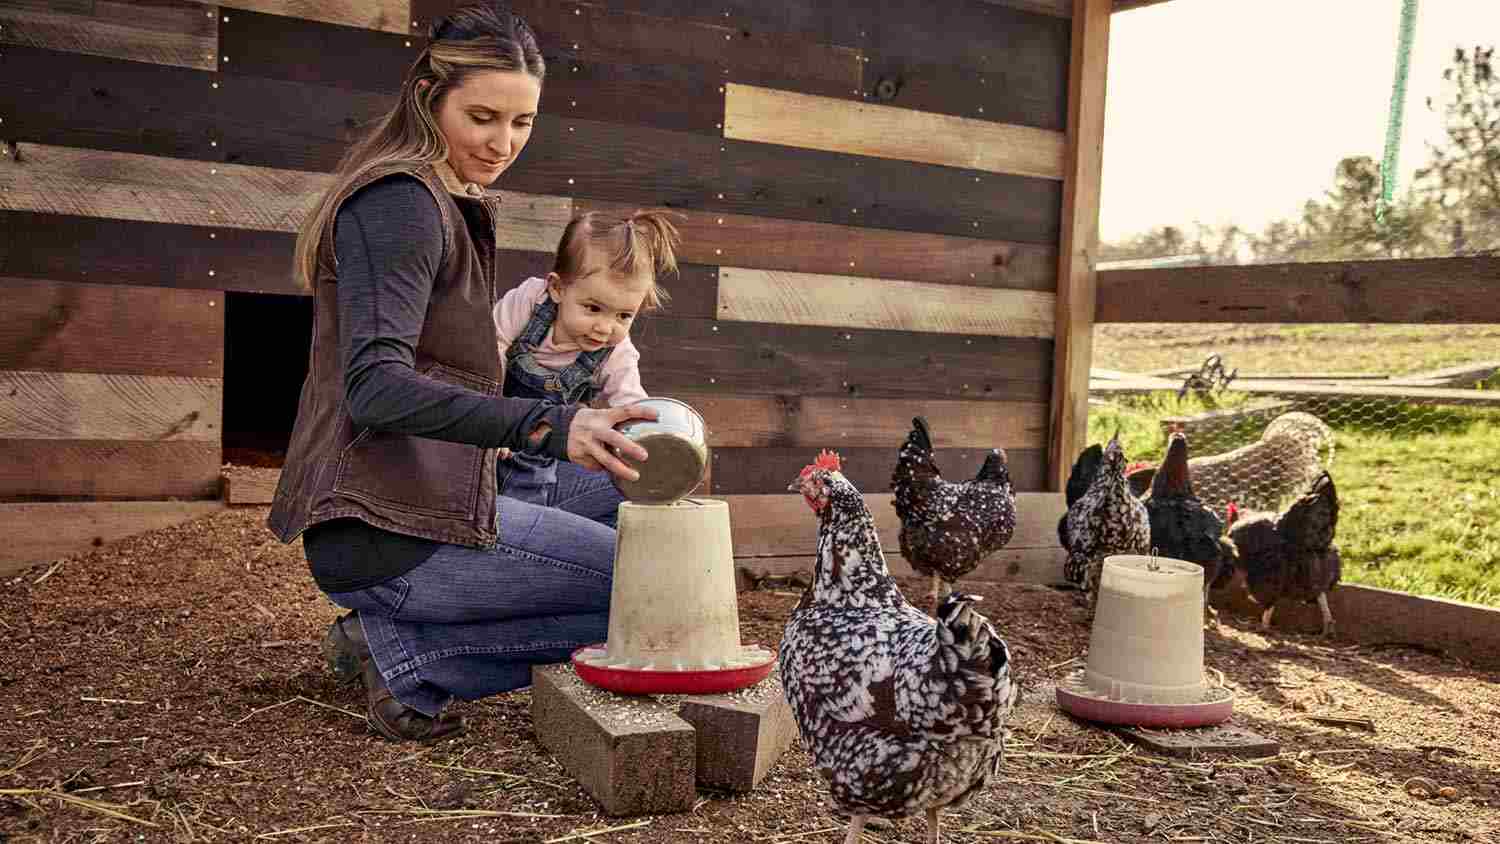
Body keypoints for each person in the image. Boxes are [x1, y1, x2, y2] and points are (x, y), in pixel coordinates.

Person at [266, 2, 656, 743]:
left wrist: (610, 425)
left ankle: (390, 631)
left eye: (522, 123)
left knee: (622, 477)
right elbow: (375, 387)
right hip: (385, 523)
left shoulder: (446, 198)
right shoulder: (401, 204)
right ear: (428, 97)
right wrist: (548, 424)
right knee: (646, 590)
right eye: (482, 117)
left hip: (434, 486)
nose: (502, 142)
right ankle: (412, 652)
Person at [493, 209, 682, 529]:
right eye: (593, 308)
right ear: (557, 288)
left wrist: (656, 443)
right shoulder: (529, 300)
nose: (604, 328)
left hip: (538, 451)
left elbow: (631, 403)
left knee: (521, 513)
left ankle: (525, 540)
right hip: (489, 425)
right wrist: (492, 418)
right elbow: (490, 346)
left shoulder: (615, 352)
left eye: (624, 316)